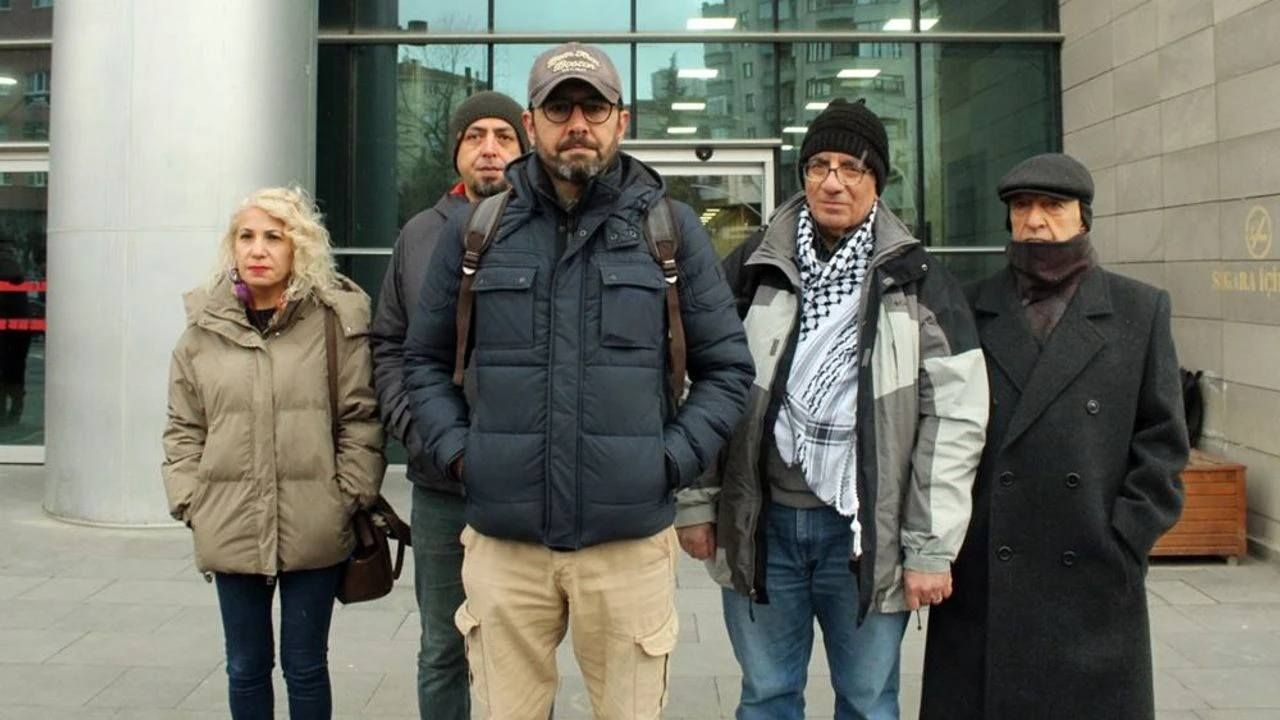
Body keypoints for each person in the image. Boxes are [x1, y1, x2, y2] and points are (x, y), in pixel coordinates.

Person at [403, 42, 753, 719]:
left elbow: (728, 368)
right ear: (531, 123)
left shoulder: (669, 230)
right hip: (505, 546)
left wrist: (666, 461)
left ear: (622, 120)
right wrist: (462, 455)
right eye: (559, 108)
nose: (577, 124)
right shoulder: (478, 230)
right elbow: (423, 360)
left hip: (627, 547)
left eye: (593, 108)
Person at [675, 98, 989, 720]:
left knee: (868, 702)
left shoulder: (919, 280)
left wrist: (930, 547)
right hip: (762, 527)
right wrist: (696, 501)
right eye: (819, 166)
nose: (833, 182)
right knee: (766, 697)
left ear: (878, 182)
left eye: (852, 167)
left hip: (865, 536)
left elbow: (955, 421)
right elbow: (704, 384)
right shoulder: (753, 269)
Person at [920, 153, 1188, 720]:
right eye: (1022, 207)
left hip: (1093, 571)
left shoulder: (1140, 309)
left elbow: (1163, 439)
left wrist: (1126, 534)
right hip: (985, 575)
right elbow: (934, 428)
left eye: (1052, 206)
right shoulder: (967, 306)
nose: (1036, 220)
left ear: (1083, 217)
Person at [162, 187, 385, 719]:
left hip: (314, 522)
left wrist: (345, 496)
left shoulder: (335, 322)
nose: (257, 249)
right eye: (246, 236)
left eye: (273, 237)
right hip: (230, 522)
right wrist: (192, 501)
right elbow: (183, 428)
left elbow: (360, 417)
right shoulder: (202, 331)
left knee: (305, 666)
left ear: (298, 248)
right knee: (245, 666)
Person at [369, 90, 527, 720]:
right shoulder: (419, 235)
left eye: (504, 136)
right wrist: (419, 431)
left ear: (525, 147)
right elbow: (389, 344)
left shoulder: (547, 227)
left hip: (526, 484)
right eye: (474, 136)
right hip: (440, 483)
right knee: (442, 648)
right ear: (456, 151)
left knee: (521, 649)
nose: (489, 148)